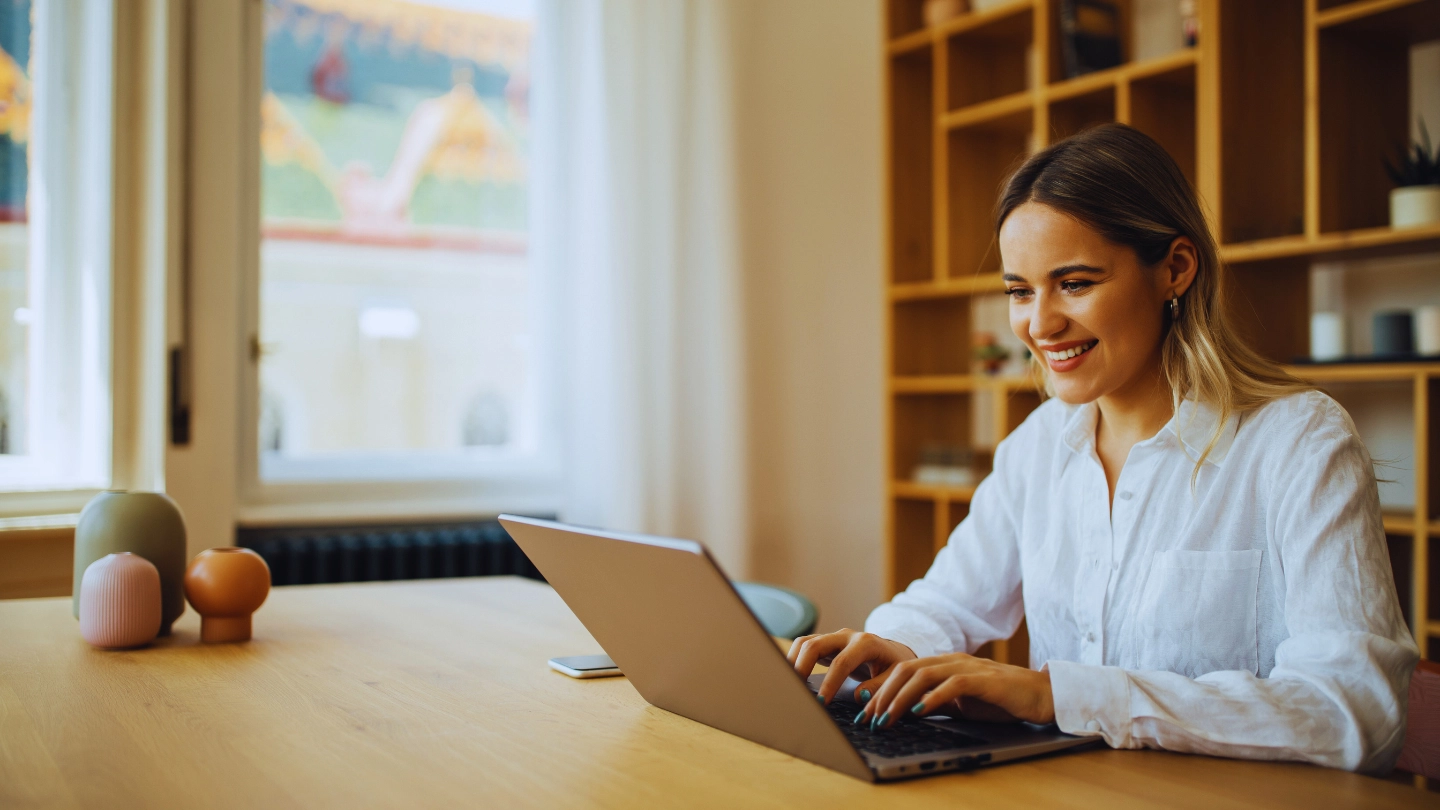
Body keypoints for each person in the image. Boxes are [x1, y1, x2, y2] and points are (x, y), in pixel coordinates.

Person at [790, 124, 1419, 773]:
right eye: (1019, 290)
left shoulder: (1300, 443)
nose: (1039, 324)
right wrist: (886, 649)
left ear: (1175, 268)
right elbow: (948, 604)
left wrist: (1055, 694)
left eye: (1076, 283)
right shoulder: (1038, 447)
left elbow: (1357, 712)